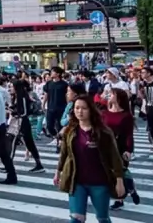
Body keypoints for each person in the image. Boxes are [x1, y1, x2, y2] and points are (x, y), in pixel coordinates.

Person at [54, 95, 125, 223]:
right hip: (77, 182)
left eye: (84, 108)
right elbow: (64, 153)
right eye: (77, 108)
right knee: (76, 219)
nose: (80, 111)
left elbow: (114, 157)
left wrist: (119, 180)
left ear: (91, 110)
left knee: (102, 218)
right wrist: (58, 172)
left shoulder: (104, 132)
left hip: (99, 182)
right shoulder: (70, 131)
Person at [102, 88, 139, 210]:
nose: (109, 95)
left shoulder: (126, 115)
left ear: (118, 98)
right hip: (106, 146)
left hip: (120, 146)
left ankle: (120, 199)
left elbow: (129, 134)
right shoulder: (104, 113)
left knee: (120, 171)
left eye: (112, 94)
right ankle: (130, 188)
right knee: (108, 172)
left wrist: (128, 150)